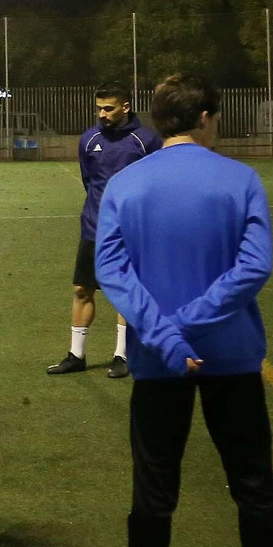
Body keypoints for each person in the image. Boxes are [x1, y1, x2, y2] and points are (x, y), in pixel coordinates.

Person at [94, 74, 273, 547]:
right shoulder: (241, 179)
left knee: (155, 488)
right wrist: (196, 322)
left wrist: (167, 335)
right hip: (231, 357)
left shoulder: (126, 185)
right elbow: (254, 268)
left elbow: (112, 272)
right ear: (205, 116)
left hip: (158, 362)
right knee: (252, 486)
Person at [49, 83, 161, 379]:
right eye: (99, 108)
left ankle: (122, 355)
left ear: (126, 107)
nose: (102, 114)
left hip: (131, 231)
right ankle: (76, 355)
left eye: (109, 108)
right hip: (94, 228)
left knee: (125, 292)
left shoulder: (146, 140)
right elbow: (90, 182)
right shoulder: (89, 139)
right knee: (81, 289)